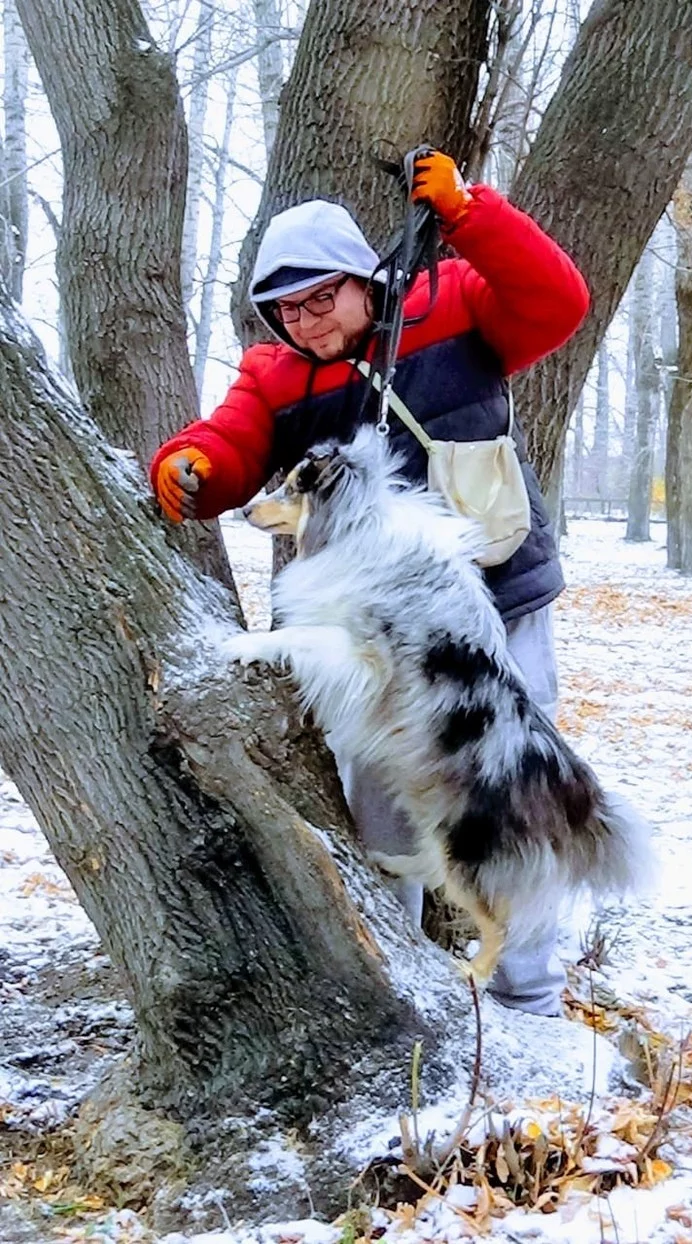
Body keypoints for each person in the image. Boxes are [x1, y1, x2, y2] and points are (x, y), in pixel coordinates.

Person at [151, 150, 590, 1017]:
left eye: (323, 297)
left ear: (364, 278)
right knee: (383, 797)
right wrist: (188, 463)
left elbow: (557, 303)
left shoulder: (455, 302)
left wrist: (470, 212)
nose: (308, 322)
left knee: (512, 787)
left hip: (496, 600)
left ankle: (529, 994)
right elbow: (232, 446)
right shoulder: (274, 376)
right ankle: (395, 978)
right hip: (375, 639)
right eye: (287, 307)